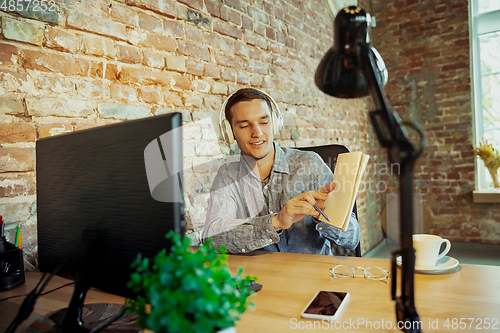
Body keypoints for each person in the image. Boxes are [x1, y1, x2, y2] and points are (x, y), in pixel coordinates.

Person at [201, 88, 359, 255]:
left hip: (312, 275)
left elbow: (352, 239)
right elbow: (212, 240)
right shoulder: (228, 175)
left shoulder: (310, 164)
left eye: (264, 122)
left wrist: (326, 215)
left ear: (275, 123)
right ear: (230, 133)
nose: (257, 133)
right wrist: (275, 222)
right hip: (260, 277)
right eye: (245, 125)